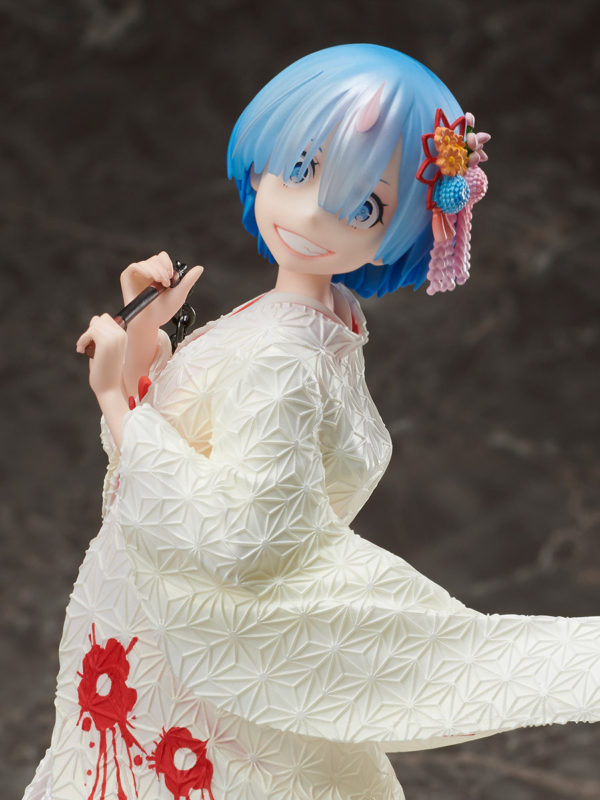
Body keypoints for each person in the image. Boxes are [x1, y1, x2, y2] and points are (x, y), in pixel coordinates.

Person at [23, 44, 599, 800]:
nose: (309, 214)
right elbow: (203, 431)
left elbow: (237, 533)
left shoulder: (284, 353)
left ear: (404, 231)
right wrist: (145, 339)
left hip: (182, 630)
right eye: (299, 169)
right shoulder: (328, 321)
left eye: (364, 207)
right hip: (154, 611)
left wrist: (110, 395)